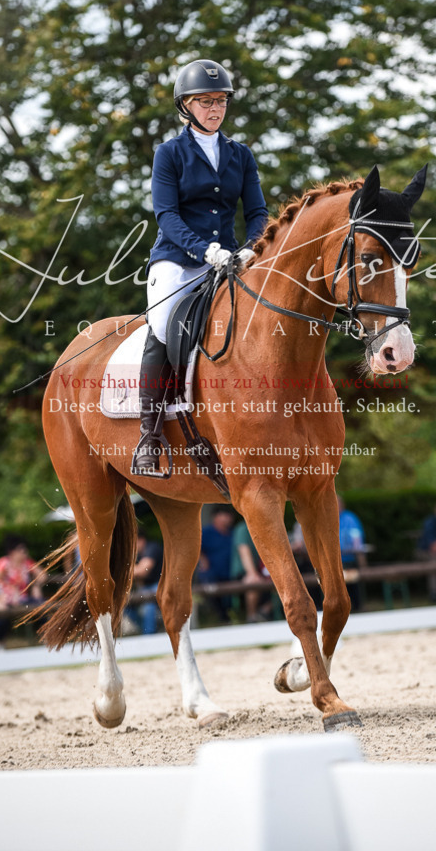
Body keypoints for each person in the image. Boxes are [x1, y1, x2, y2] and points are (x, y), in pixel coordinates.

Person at [132, 58, 268, 476]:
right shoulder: (169, 154)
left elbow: (259, 211)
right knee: (163, 323)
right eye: (205, 101)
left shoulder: (240, 155)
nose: (215, 108)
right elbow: (167, 216)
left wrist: (252, 247)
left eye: (221, 101)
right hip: (176, 260)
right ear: (186, 107)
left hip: (230, 262)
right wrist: (205, 250)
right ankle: (150, 436)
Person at [0, 535, 46, 650]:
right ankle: (0, 644)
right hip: (3, 598)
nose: (25, 552)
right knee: (0, 616)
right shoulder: (4, 563)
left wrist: (36, 586)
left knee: (42, 606)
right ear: (12, 552)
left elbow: (42, 575)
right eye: (21, 549)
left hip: (21, 599)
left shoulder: (27, 563)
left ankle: (46, 637)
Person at [197, 506, 236, 622]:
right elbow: (195, 548)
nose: (227, 519)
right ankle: (221, 617)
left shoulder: (231, 534)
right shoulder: (206, 532)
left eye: (229, 516)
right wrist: (203, 559)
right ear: (215, 517)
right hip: (212, 573)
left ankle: (230, 615)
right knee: (212, 591)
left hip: (229, 571)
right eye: (224, 515)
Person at [230, 517, 268, 623]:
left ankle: (264, 611)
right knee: (253, 582)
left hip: (261, 570)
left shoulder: (264, 526)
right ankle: (252, 617)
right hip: (243, 571)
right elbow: (244, 551)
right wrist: (252, 573)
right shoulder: (243, 528)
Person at [126, 529, 163, 636]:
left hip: (160, 585)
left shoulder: (152, 547)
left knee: (148, 605)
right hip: (145, 588)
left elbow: (143, 571)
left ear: (141, 540)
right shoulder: (138, 554)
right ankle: (146, 630)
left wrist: (122, 572)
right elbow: (138, 577)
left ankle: (149, 635)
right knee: (127, 605)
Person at [338, 500, 367, 611]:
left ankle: (357, 606)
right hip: (333, 561)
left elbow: (357, 537)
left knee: (353, 580)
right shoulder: (325, 518)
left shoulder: (349, 518)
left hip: (349, 558)